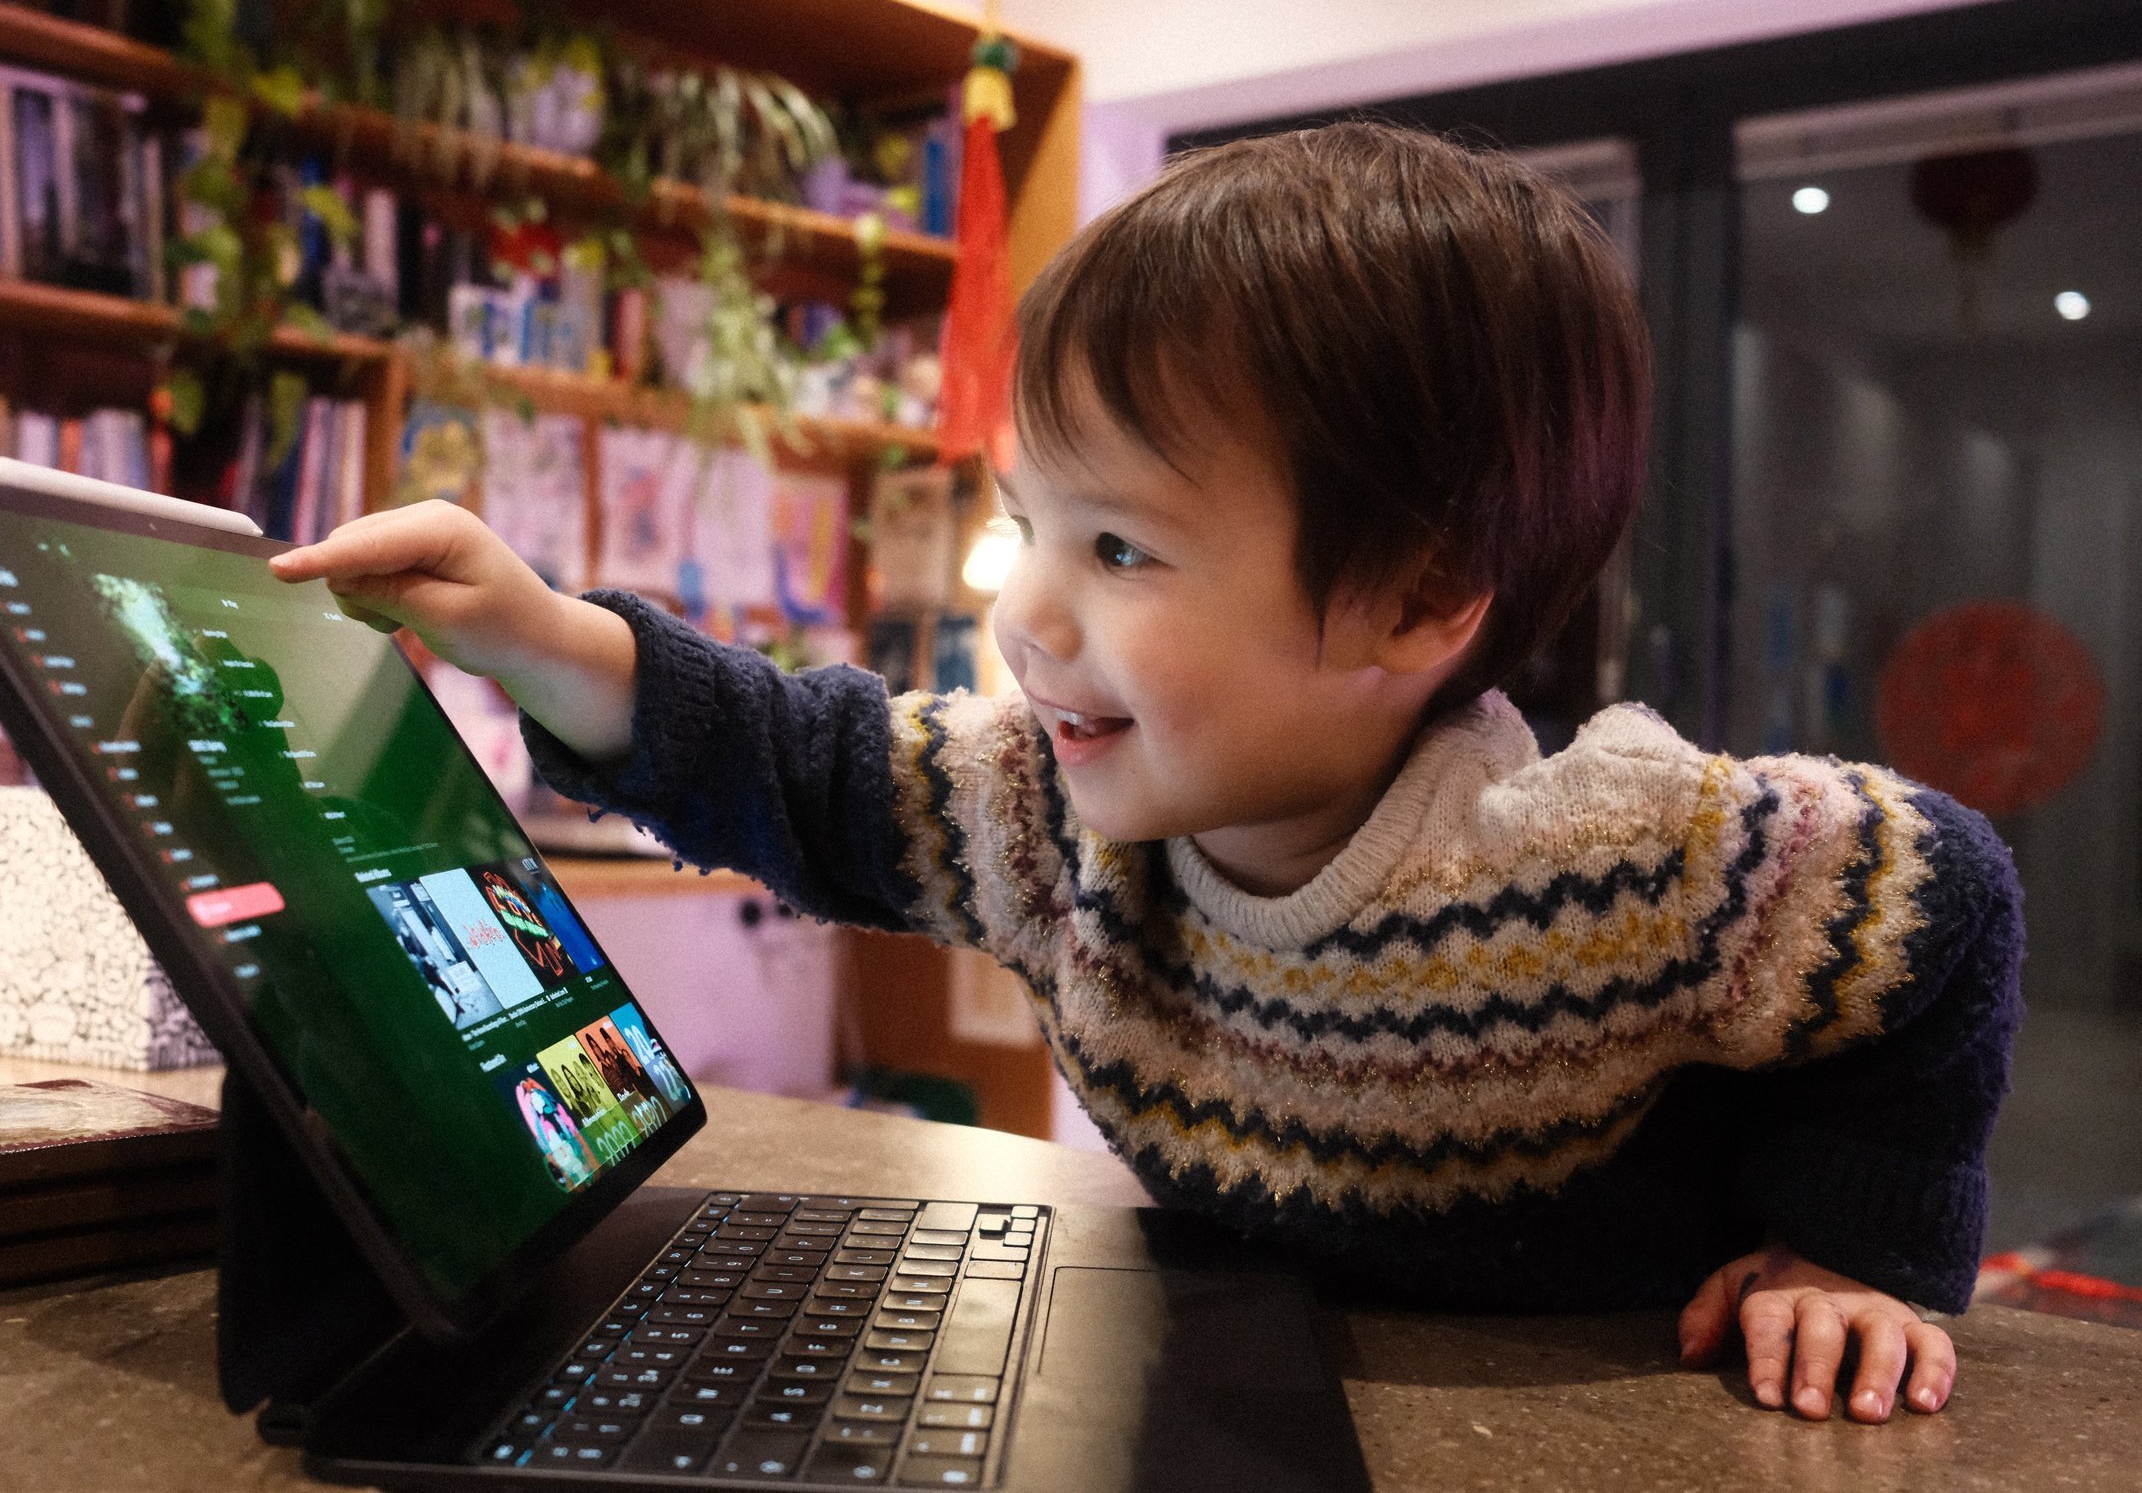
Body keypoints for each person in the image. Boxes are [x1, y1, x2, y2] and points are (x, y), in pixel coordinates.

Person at [271, 121, 2022, 1426]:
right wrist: (538, 632)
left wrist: (1850, 1246)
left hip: (1620, 1419)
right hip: (1270, 1385)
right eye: (1024, 521)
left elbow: (1950, 898)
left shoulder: (1620, 857)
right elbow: (805, 766)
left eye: (1118, 547)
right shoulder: (1050, 821)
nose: (1023, 613)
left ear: (1413, 599)